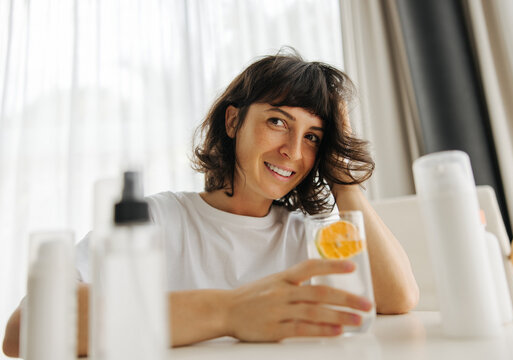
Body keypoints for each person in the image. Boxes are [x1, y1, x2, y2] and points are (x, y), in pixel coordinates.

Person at [3, 50, 418, 358]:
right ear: (234, 121)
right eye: (278, 121)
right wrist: (231, 313)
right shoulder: (160, 219)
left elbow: (398, 300)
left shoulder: (308, 235)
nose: (293, 150)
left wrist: (343, 180)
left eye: (312, 137)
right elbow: (25, 328)